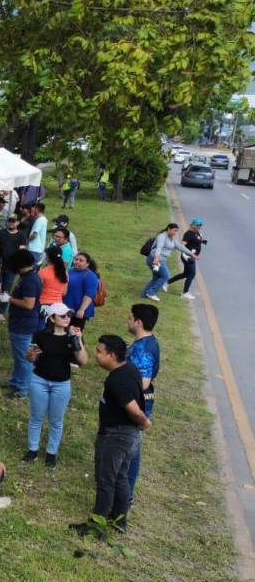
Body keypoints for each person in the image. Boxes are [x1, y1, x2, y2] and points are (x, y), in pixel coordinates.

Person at [70, 335, 150, 537]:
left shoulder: (116, 380)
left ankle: (96, 524)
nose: (96, 354)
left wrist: (144, 421)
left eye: (99, 351)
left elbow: (133, 409)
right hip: (129, 436)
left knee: (105, 480)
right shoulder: (129, 369)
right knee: (120, 477)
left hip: (117, 436)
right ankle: (119, 520)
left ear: (112, 355)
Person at [22, 303, 89, 468]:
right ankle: (32, 449)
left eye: (68, 315)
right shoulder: (40, 336)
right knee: (36, 417)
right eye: (62, 315)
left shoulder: (72, 337)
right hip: (39, 380)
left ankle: (51, 453)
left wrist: (78, 339)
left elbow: (83, 361)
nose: (67, 318)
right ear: (52, 318)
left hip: (61, 384)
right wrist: (30, 355)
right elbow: (31, 358)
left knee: (56, 421)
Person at [125, 304, 160, 507]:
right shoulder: (145, 342)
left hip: (136, 403)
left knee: (132, 449)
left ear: (138, 322)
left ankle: (127, 494)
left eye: (130, 318)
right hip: (135, 401)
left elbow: (143, 382)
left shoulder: (144, 348)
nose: (128, 321)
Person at [2, 250, 42, 399]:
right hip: (19, 322)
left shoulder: (30, 280)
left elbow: (29, 304)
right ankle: (15, 381)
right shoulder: (26, 276)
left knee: (24, 358)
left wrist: (9, 299)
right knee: (18, 356)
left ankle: (23, 388)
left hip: (23, 324)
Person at [142, 223, 197, 301]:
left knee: (156, 278)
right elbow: (159, 247)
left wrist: (191, 254)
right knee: (165, 276)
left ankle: (143, 295)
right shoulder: (162, 236)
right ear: (169, 229)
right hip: (154, 259)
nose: (175, 233)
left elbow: (180, 247)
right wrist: (156, 258)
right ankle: (151, 293)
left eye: (176, 231)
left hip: (161, 260)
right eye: (174, 230)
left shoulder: (172, 238)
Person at [0, 214, 28, 321]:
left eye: (13, 221)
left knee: (6, 290)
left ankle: (1, 312)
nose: (11, 222)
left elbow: (22, 251)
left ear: (18, 222)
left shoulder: (21, 236)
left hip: (12, 268)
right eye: (9, 220)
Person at [166, 217, 205, 299]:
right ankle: (185, 293)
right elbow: (182, 246)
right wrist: (189, 254)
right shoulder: (188, 234)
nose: (199, 226)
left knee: (186, 274)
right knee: (191, 274)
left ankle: (167, 282)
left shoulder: (196, 232)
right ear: (192, 225)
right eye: (197, 225)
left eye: (200, 225)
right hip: (187, 256)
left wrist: (201, 242)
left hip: (192, 256)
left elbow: (196, 241)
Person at [64, 252, 101, 331]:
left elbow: (89, 295)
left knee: (73, 333)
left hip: (78, 311)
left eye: (81, 261)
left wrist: (81, 310)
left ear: (87, 264)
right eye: (76, 259)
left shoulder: (90, 276)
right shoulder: (70, 271)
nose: (77, 262)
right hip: (67, 308)